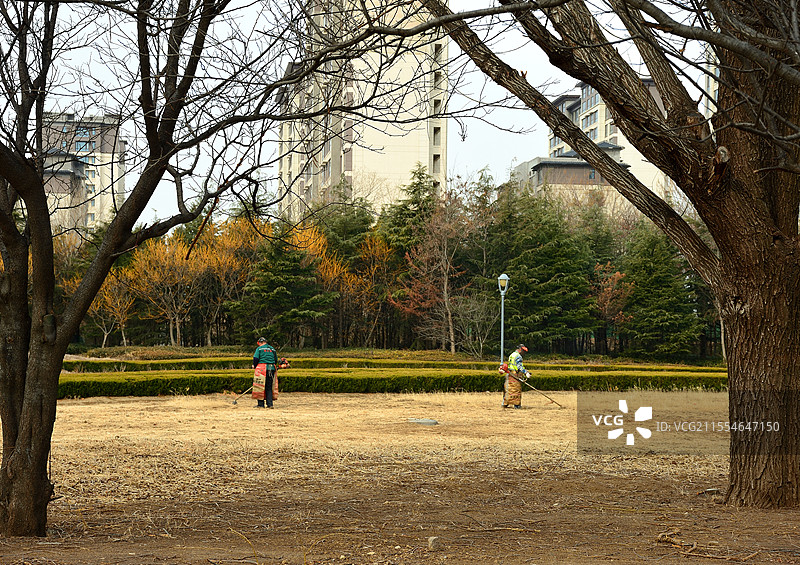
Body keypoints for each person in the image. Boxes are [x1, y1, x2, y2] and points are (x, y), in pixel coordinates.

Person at [252, 337, 279, 408]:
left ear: (260, 342)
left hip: (262, 369)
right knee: (269, 386)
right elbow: (276, 360)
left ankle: (260, 404)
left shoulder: (259, 349)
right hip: (271, 368)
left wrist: (254, 365)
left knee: (259, 386)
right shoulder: (272, 349)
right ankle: (270, 404)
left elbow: (256, 358)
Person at [504, 344, 530, 409]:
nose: (524, 353)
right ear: (520, 349)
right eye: (523, 351)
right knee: (516, 389)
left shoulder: (512, 354)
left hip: (510, 374)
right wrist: (526, 372)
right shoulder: (518, 356)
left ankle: (505, 403)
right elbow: (519, 366)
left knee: (508, 389)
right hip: (515, 374)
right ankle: (516, 405)